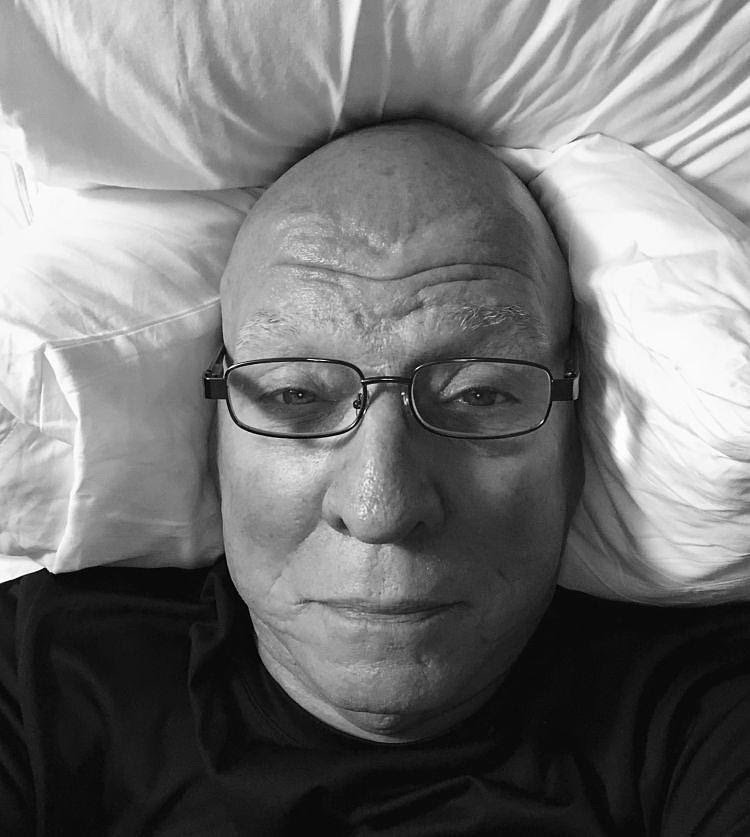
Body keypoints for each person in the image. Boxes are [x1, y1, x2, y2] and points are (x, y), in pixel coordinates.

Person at [1, 121, 748, 835]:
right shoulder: (38, 677)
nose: (380, 507)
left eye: (479, 395)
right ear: (214, 435)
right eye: (295, 395)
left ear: (578, 436)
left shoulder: (702, 708)